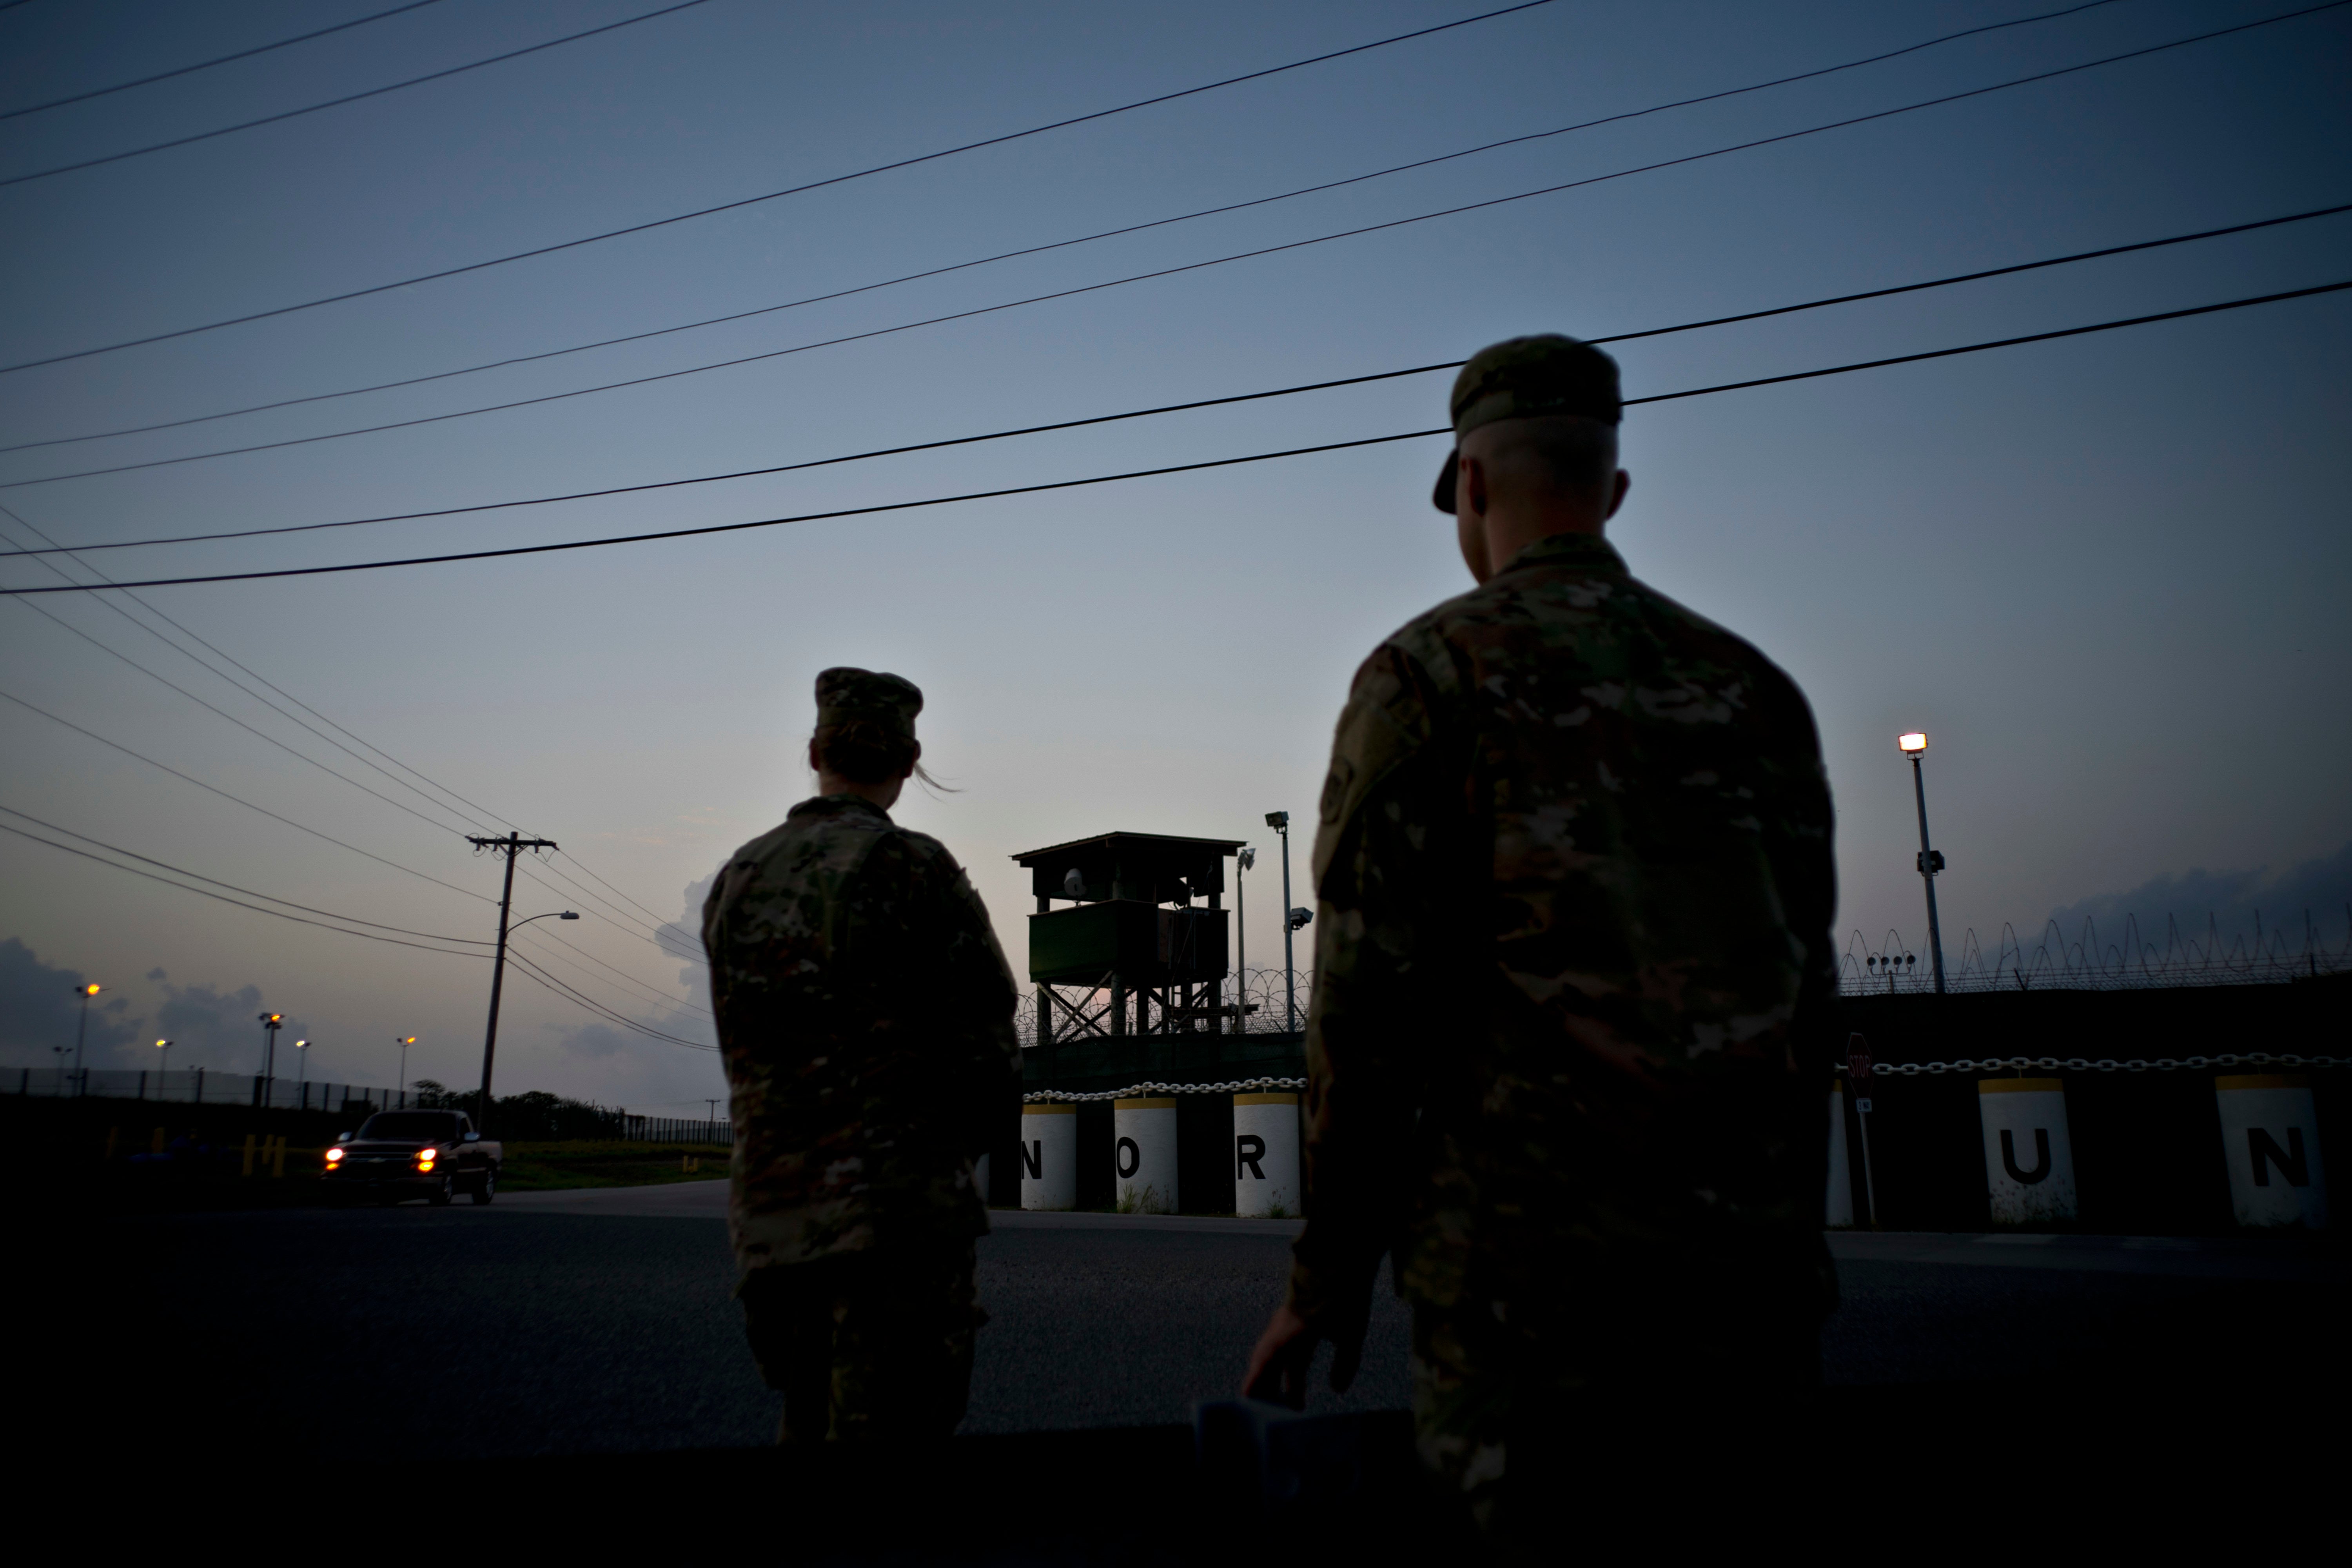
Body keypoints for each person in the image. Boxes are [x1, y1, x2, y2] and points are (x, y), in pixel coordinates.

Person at [1243, 336, 1841, 1536]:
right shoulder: (1753, 689)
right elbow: (1806, 999)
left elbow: (1365, 1016)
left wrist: (1325, 1280)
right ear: (1615, 490)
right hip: (1744, 1288)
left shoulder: (1429, 679)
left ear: (1469, 484)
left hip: (1526, 1295)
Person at [702, 666, 1020, 1443]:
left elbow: (741, 1046)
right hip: (895, 1222)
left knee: (806, 1425)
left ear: (814, 748)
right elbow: (990, 1047)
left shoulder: (741, 876)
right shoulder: (915, 867)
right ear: (909, 762)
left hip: (772, 1221)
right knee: (894, 1453)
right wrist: (940, 1152)